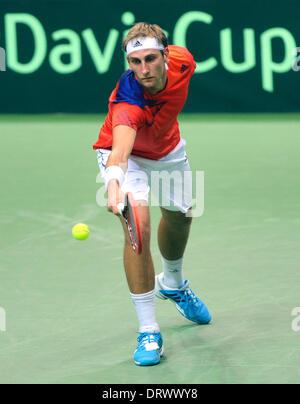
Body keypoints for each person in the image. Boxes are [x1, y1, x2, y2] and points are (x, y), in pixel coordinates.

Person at [93, 22, 211, 366]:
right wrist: (114, 185)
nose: (143, 69)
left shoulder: (184, 61)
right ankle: (148, 330)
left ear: (165, 55)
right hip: (126, 158)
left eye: (150, 59)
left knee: (182, 216)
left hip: (169, 149)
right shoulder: (128, 101)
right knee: (139, 229)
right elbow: (120, 152)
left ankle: (172, 284)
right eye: (135, 62)